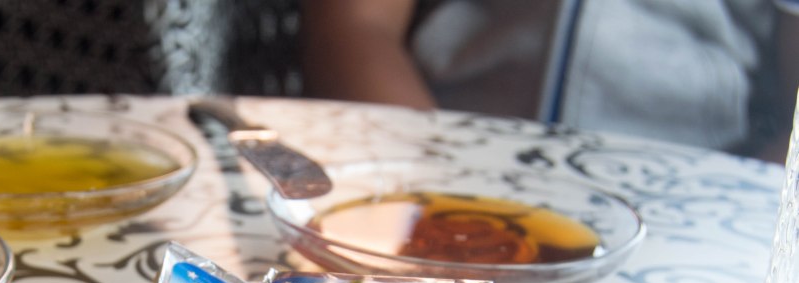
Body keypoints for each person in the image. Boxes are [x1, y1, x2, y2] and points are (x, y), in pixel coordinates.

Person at [300, 0, 799, 162]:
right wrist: (427, 181)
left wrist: (726, 220)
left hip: (694, 187)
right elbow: (356, 23)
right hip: (439, 155)